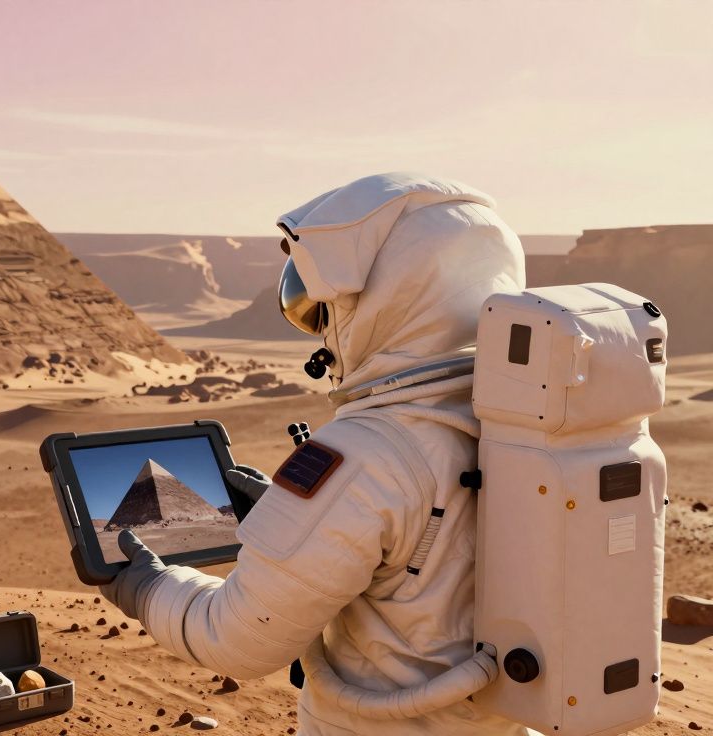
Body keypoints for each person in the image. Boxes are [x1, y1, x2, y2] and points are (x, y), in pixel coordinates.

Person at [101, 172, 530, 735]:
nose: (318, 326)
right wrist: (300, 521)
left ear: (385, 299)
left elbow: (238, 638)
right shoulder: (528, 423)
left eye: (319, 306)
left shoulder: (369, 453)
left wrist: (147, 588)